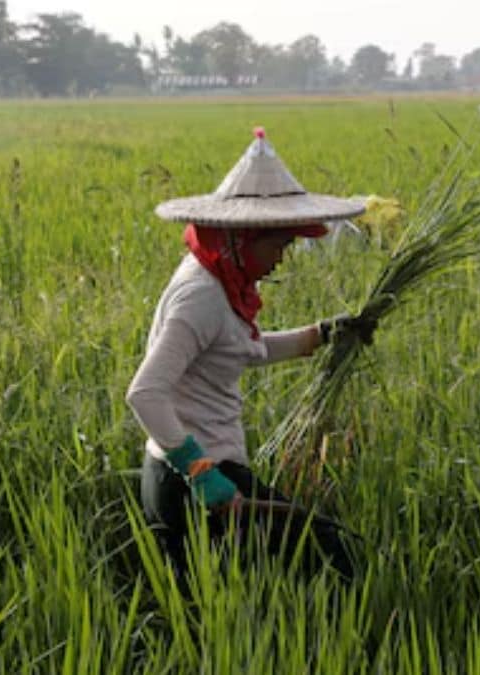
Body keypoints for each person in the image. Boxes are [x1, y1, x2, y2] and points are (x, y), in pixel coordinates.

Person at [127, 128, 373, 580]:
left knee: (254, 592)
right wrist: (202, 475)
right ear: (244, 237)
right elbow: (145, 394)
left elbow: (236, 350)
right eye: (277, 244)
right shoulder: (199, 295)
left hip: (198, 477)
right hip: (193, 486)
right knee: (329, 562)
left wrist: (318, 335)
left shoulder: (221, 276)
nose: (283, 256)